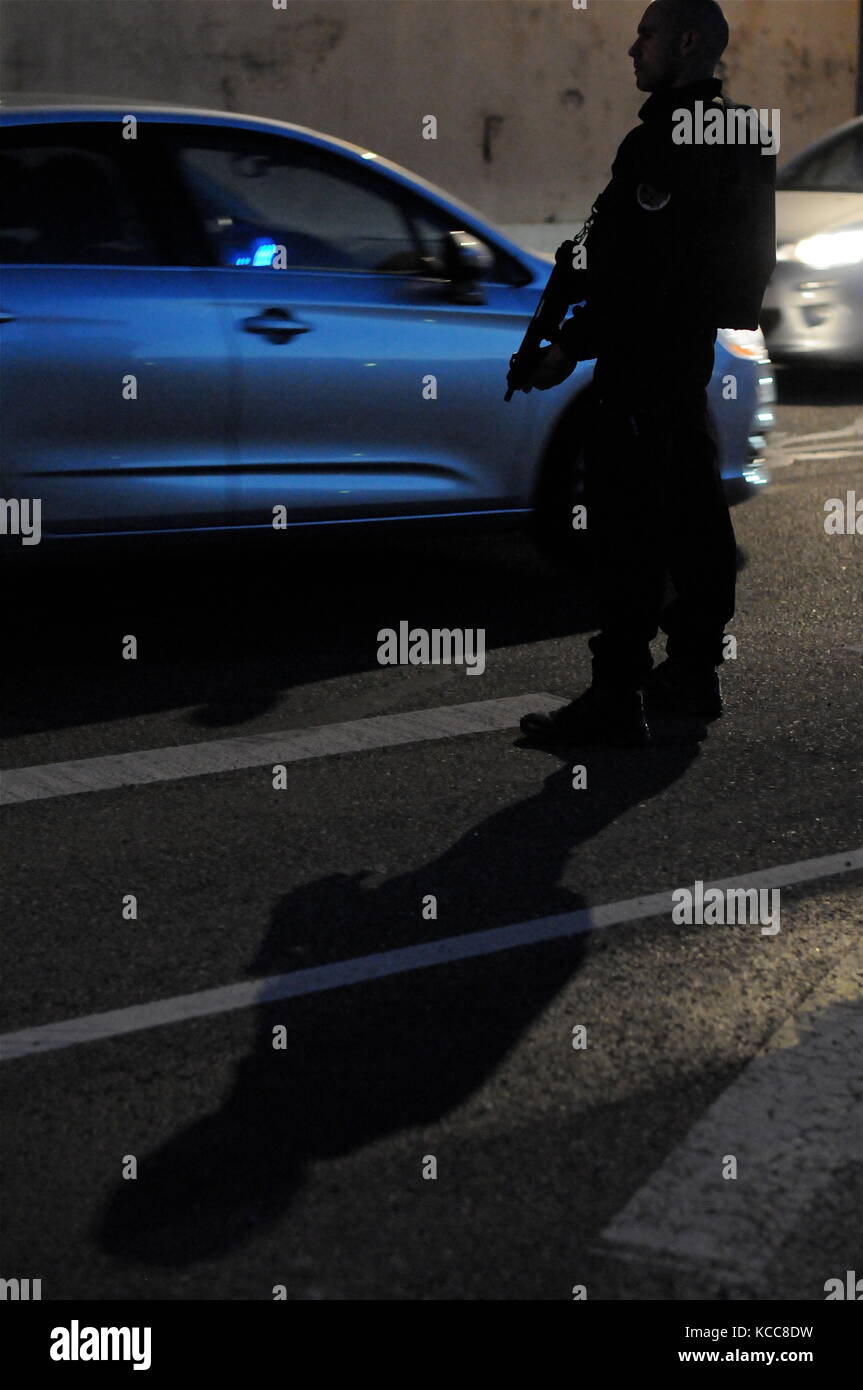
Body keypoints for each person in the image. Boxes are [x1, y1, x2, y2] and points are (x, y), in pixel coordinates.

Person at [519, 0, 776, 747]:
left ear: (687, 41)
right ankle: (692, 672)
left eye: (646, 35)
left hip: (641, 361)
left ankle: (614, 697)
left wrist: (570, 342)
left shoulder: (663, 139)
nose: (632, 50)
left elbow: (641, 272)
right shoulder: (741, 130)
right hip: (686, 357)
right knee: (694, 515)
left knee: (625, 531)